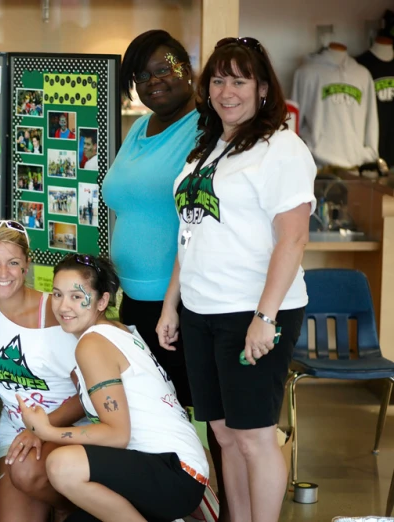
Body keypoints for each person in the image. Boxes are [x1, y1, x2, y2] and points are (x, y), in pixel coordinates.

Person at [157, 37, 316, 522]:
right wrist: (171, 305)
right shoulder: (209, 148)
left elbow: (293, 240)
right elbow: (192, 234)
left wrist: (265, 318)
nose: (227, 91)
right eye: (218, 80)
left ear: (263, 88)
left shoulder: (281, 148)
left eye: (239, 80)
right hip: (202, 310)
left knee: (254, 435)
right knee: (223, 433)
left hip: (253, 312)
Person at [99, 29, 231, 516]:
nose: (152, 81)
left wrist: (171, 302)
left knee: (208, 415)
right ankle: (171, 504)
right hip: (134, 300)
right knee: (152, 412)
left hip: (180, 302)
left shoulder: (205, 127)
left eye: (164, 69)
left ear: (188, 69)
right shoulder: (140, 129)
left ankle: (228, 506)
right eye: (141, 74)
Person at [19, 254, 208, 522]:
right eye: (57, 294)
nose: (63, 306)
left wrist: (48, 431)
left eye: (76, 296)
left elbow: (117, 434)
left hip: (175, 473)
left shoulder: (92, 344)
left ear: (103, 301)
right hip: (173, 471)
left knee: (62, 466)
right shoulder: (120, 330)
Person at [0, 220, 86, 522]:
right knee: (20, 480)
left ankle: (75, 503)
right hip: (16, 429)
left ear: (27, 264)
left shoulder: (56, 313)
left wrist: (41, 430)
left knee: (27, 472)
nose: (2, 273)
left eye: (13, 262)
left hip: (67, 427)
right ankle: (63, 499)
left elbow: (88, 396)